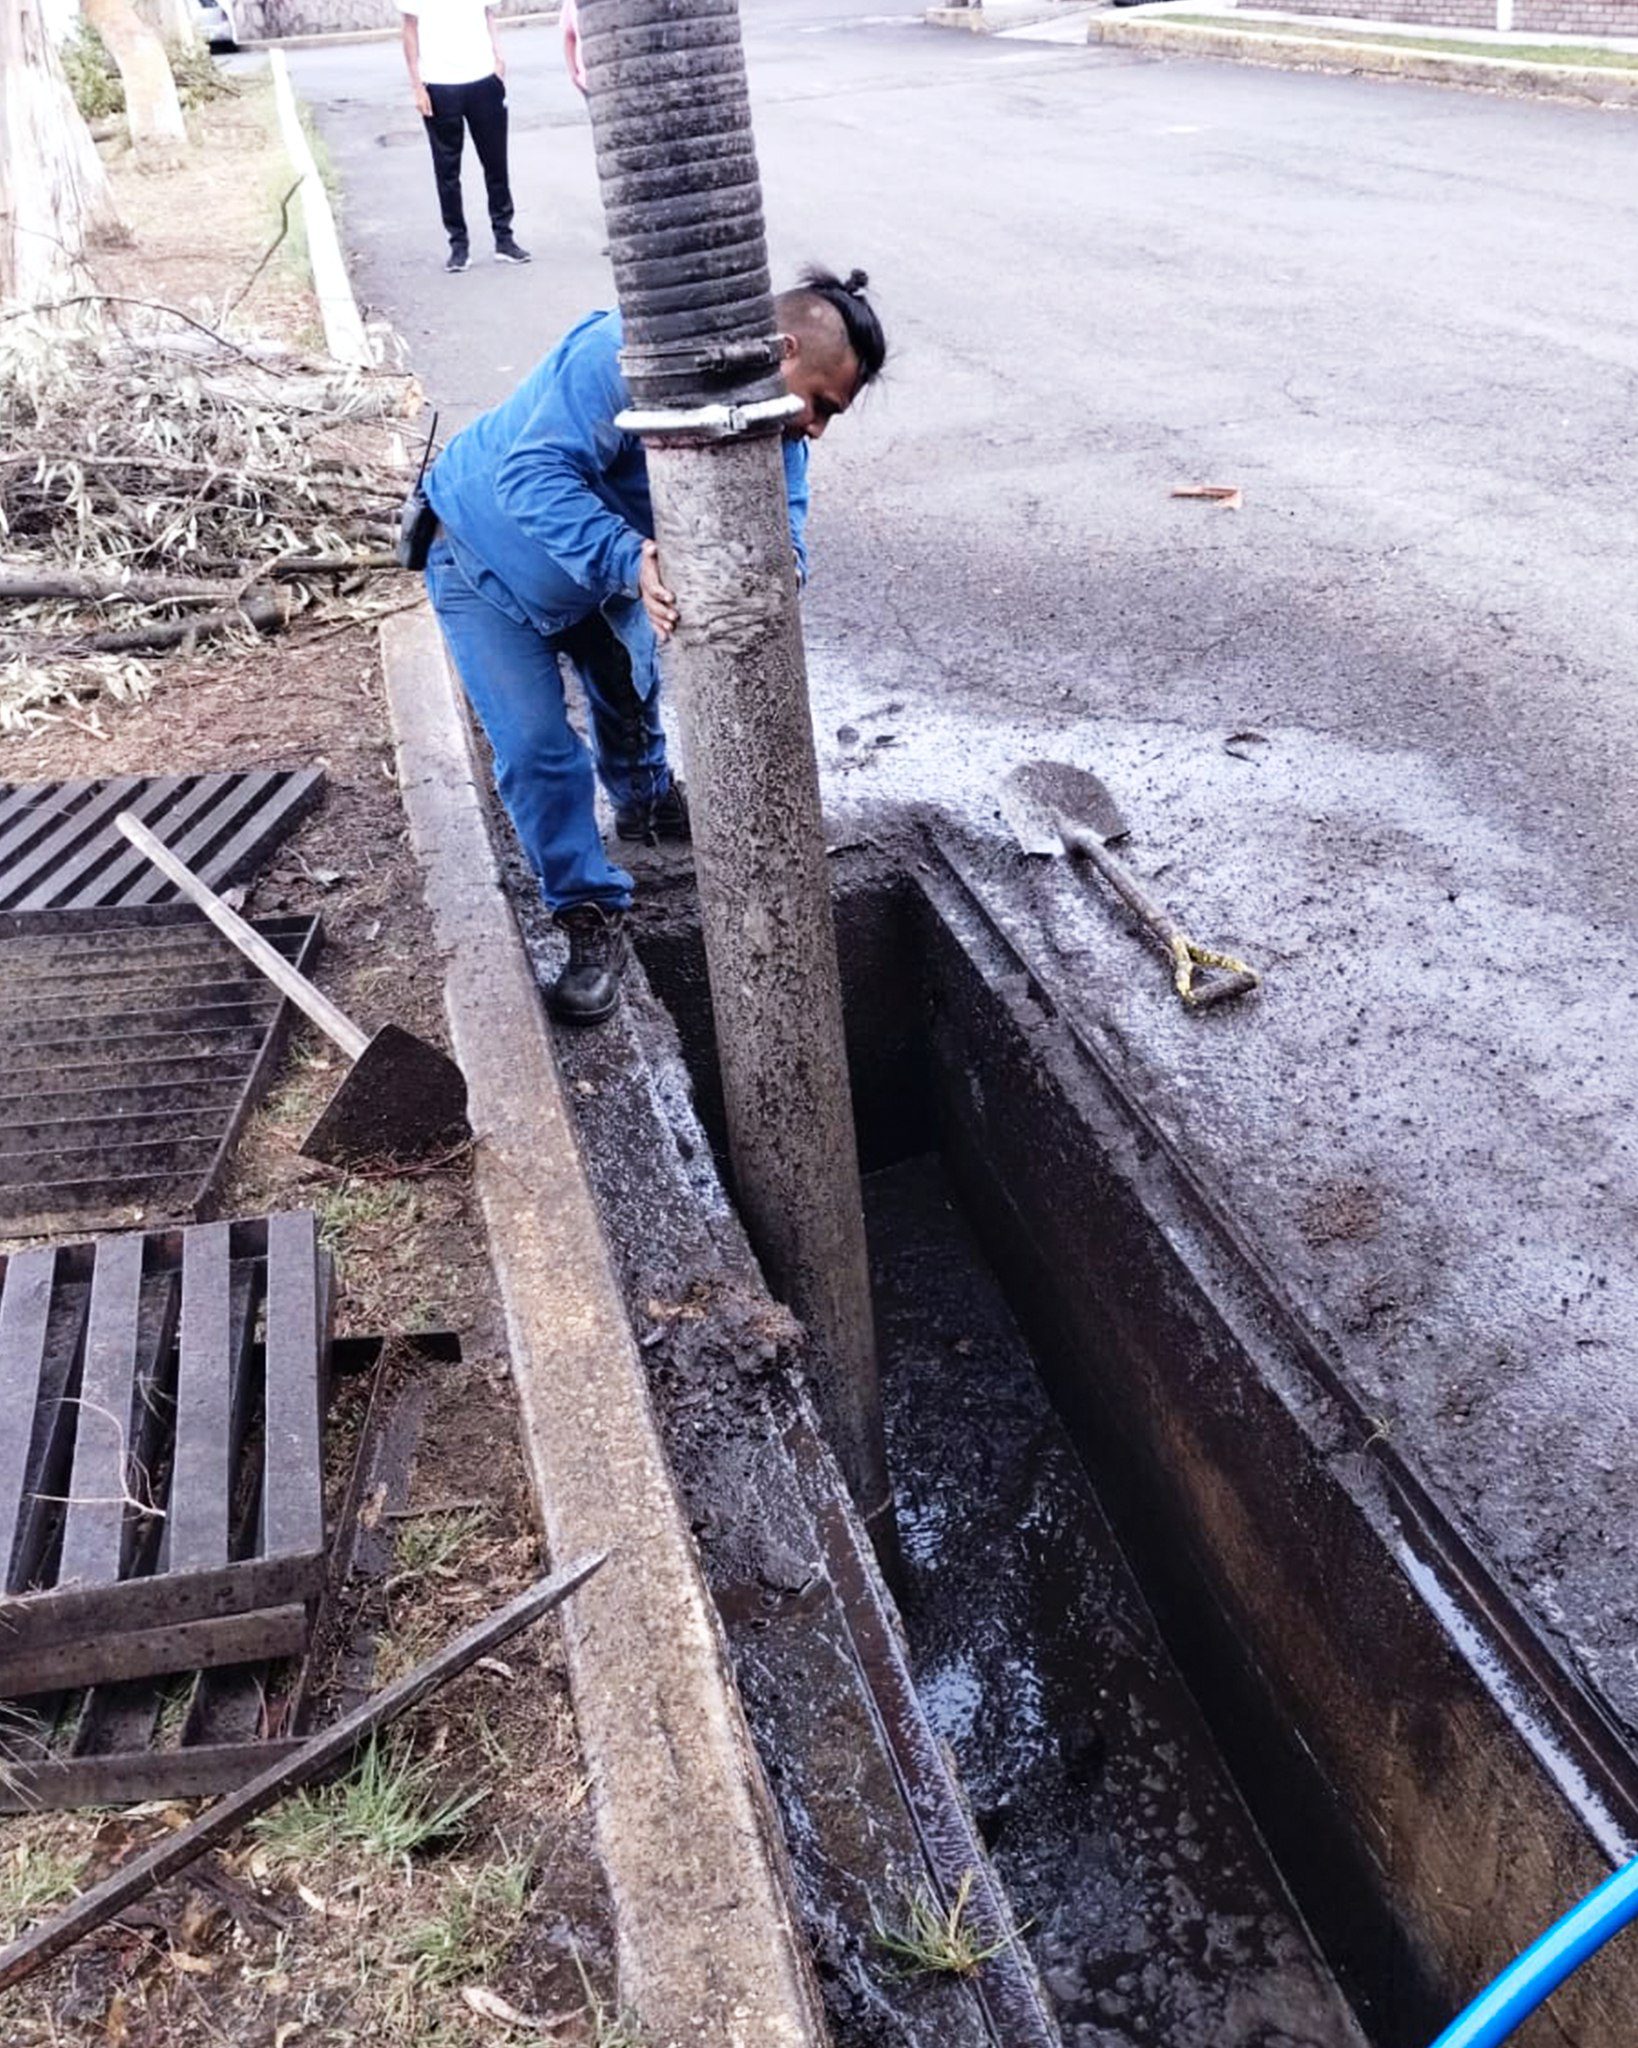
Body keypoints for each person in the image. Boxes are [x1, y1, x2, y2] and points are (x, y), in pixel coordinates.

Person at [422, 268, 887, 1025]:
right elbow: (533, 474)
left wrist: (777, 573)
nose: (817, 429)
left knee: (631, 686)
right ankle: (585, 911)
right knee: (539, 749)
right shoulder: (619, 357)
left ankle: (643, 803)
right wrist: (626, 559)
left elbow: (785, 516)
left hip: (603, 567)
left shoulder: (768, 419)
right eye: (822, 405)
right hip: (483, 560)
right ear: (782, 347)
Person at [399, 0, 531, 273]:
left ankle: (504, 239)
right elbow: (409, 30)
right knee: (447, 170)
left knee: (496, 163)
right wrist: (417, 86)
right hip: (439, 84)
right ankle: (458, 245)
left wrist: (499, 58)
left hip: (484, 79)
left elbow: (488, 14)